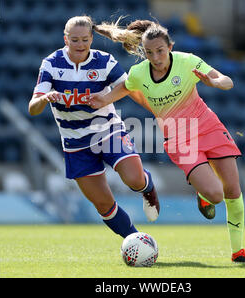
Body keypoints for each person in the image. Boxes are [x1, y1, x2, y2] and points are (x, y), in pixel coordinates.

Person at [87, 19, 245, 263]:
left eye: (160, 51)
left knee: (232, 190)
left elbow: (226, 80)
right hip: (179, 137)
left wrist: (214, 81)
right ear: (143, 52)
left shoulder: (187, 61)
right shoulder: (139, 74)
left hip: (208, 126)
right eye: (149, 53)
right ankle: (204, 195)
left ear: (170, 47)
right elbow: (124, 87)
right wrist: (103, 100)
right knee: (216, 195)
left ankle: (238, 252)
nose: (155, 57)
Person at [28, 16, 160, 239]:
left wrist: (106, 98)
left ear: (92, 39)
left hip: (107, 130)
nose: (80, 45)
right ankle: (137, 241)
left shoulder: (104, 61)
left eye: (85, 40)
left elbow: (127, 87)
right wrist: (45, 98)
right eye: (74, 40)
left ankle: (148, 189)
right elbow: (33, 108)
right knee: (103, 205)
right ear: (65, 39)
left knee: (134, 180)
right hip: (75, 142)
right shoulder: (51, 63)